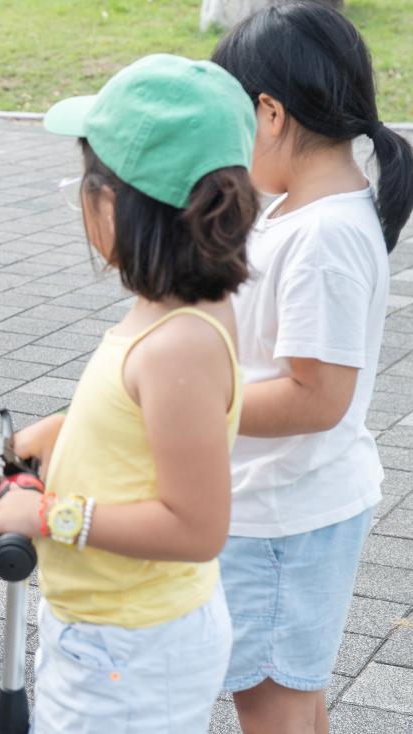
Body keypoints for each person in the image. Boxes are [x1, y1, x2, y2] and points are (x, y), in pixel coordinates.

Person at [0, 54, 260, 732]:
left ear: (118, 204)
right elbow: (147, 424)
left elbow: (198, 527)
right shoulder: (172, 313)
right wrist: (66, 430)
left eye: (84, 181)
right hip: (112, 631)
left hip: (130, 653)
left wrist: (47, 517)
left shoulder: (179, 343)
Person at [209, 4, 413, 732]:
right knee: (292, 699)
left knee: (274, 709)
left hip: (284, 515)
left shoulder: (325, 233)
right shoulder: (298, 208)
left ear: (269, 112)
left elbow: (318, 397)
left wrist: (191, 406)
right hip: (278, 503)